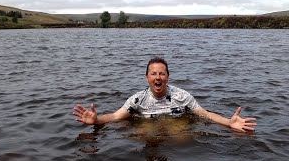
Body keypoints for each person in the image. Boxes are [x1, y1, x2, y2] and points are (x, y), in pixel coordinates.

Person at [73, 57, 257, 133]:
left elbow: (205, 114)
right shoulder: (137, 99)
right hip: (149, 128)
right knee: (144, 134)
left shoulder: (182, 96)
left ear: (167, 77)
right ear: (147, 78)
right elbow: (115, 116)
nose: (158, 77)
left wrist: (229, 122)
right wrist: (96, 121)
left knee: (182, 136)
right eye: (153, 74)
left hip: (176, 125)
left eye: (162, 73)